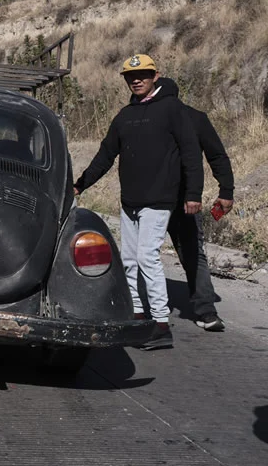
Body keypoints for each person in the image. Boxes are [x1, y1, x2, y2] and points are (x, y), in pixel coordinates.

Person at [73, 54, 204, 350]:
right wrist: (80, 184)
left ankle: (160, 324)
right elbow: (105, 155)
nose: (137, 80)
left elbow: (191, 153)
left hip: (159, 200)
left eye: (143, 74)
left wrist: (194, 194)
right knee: (129, 260)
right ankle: (136, 314)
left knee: (147, 257)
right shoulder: (125, 116)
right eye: (131, 76)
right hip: (130, 201)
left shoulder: (172, 109)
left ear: (156, 76)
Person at [154, 77, 234, 332]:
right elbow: (218, 156)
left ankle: (142, 308)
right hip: (177, 198)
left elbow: (216, 155)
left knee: (145, 254)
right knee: (191, 252)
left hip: (164, 199)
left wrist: (226, 190)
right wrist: (226, 191)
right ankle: (206, 311)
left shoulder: (173, 117)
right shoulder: (191, 117)